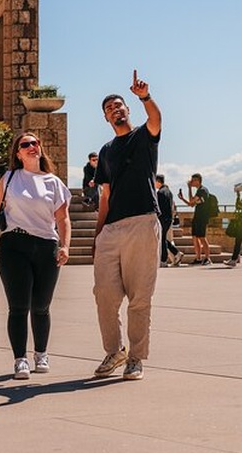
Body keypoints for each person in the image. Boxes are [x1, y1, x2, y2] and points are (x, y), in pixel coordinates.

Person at [0, 132, 71, 380]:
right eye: (25, 144)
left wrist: (65, 245)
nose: (31, 147)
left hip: (46, 245)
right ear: (17, 153)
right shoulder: (9, 178)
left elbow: (63, 219)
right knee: (18, 306)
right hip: (14, 245)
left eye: (35, 143)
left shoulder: (54, 182)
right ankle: (20, 360)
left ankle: (41, 354)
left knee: (41, 306)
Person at [91, 69, 161, 381]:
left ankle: (135, 358)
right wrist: (98, 232)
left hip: (143, 223)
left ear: (127, 110)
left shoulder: (144, 136)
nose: (116, 110)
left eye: (119, 106)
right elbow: (105, 194)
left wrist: (144, 96)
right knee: (104, 293)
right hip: (111, 230)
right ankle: (113, 351)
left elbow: (157, 119)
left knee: (140, 297)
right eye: (110, 108)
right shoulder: (106, 151)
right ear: (106, 118)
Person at [177, 173, 212, 265]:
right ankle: (198, 258)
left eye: (192, 180)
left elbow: (192, 200)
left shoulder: (202, 190)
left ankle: (208, 258)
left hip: (202, 218)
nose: (191, 182)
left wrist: (189, 188)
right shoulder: (200, 191)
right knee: (195, 237)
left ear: (197, 180)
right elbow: (191, 204)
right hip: (197, 217)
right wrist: (182, 199)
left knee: (202, 237)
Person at [155, 174, 183, 267]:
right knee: (163, 238)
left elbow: (159, 207)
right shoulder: (169, 192)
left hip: (162, 218)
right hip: (169, 218)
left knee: (162, 239)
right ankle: (176, 253)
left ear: (158, 181)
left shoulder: (160, 193)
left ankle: (163, 260)